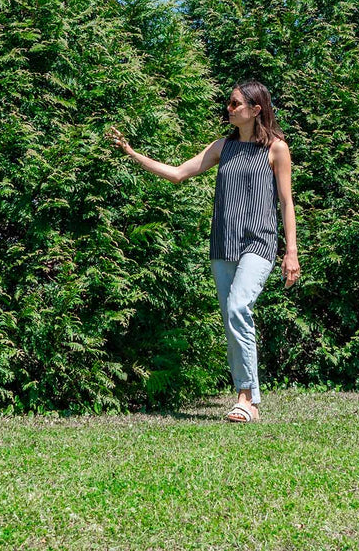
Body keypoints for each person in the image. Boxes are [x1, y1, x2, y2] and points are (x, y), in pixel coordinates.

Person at [108, 80, 299, 423]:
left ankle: (246, 398)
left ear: (256, 110)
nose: (229, 108)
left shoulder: (276, 149)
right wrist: (133, 154)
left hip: (259, 242)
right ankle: (247, 397)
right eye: (229, 103)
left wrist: (292, 252)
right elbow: (179, 174)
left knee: (239, 307)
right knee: (231, 318)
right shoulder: (221, 147)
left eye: (236, 104)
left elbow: (286, 203)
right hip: (223, 243)